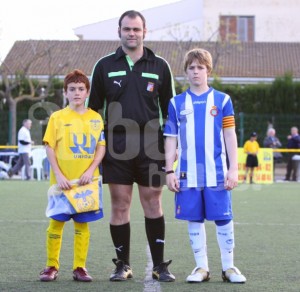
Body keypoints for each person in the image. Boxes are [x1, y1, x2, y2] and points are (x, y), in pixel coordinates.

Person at [88, 10, 176, 282]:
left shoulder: (160, 65)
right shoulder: (103, 65)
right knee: (120, 204)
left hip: (152, 144)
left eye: (136, 29)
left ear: (145, 32)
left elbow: (170, 112)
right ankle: (122, 265)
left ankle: (160, 266)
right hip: (116, 145)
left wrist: (172, 153)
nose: (132, 33)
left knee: (153, 202)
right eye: (127, 29)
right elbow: (93, 112)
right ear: (119, 31)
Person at [164, 48, 246, 284]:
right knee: (194, 218)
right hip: (187, 173)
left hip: (217, 172)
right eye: (191, 68)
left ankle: (229, 268)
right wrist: (169, 170)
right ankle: (201, 267)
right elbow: (171, 138)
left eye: (200, 67)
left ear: (208, 70)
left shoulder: (222, 100)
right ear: (186, 72)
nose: (196, 72)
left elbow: (230, 135)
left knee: (223, 217)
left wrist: (234, 168)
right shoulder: (176, 102)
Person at [39, 69, 106, 282]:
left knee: (82, 225)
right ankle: (51, 266)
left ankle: (80, 267)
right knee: (56, 224)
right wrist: (58, 175)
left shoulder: (96, 118)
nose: (76, 92)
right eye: (72, 89)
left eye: (81, 89)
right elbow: (49, 147)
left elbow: (100, 148)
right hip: (62, 183)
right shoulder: (57, 118)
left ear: (87, 93)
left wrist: (90, 170)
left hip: (86, 183)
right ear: (65, 93)